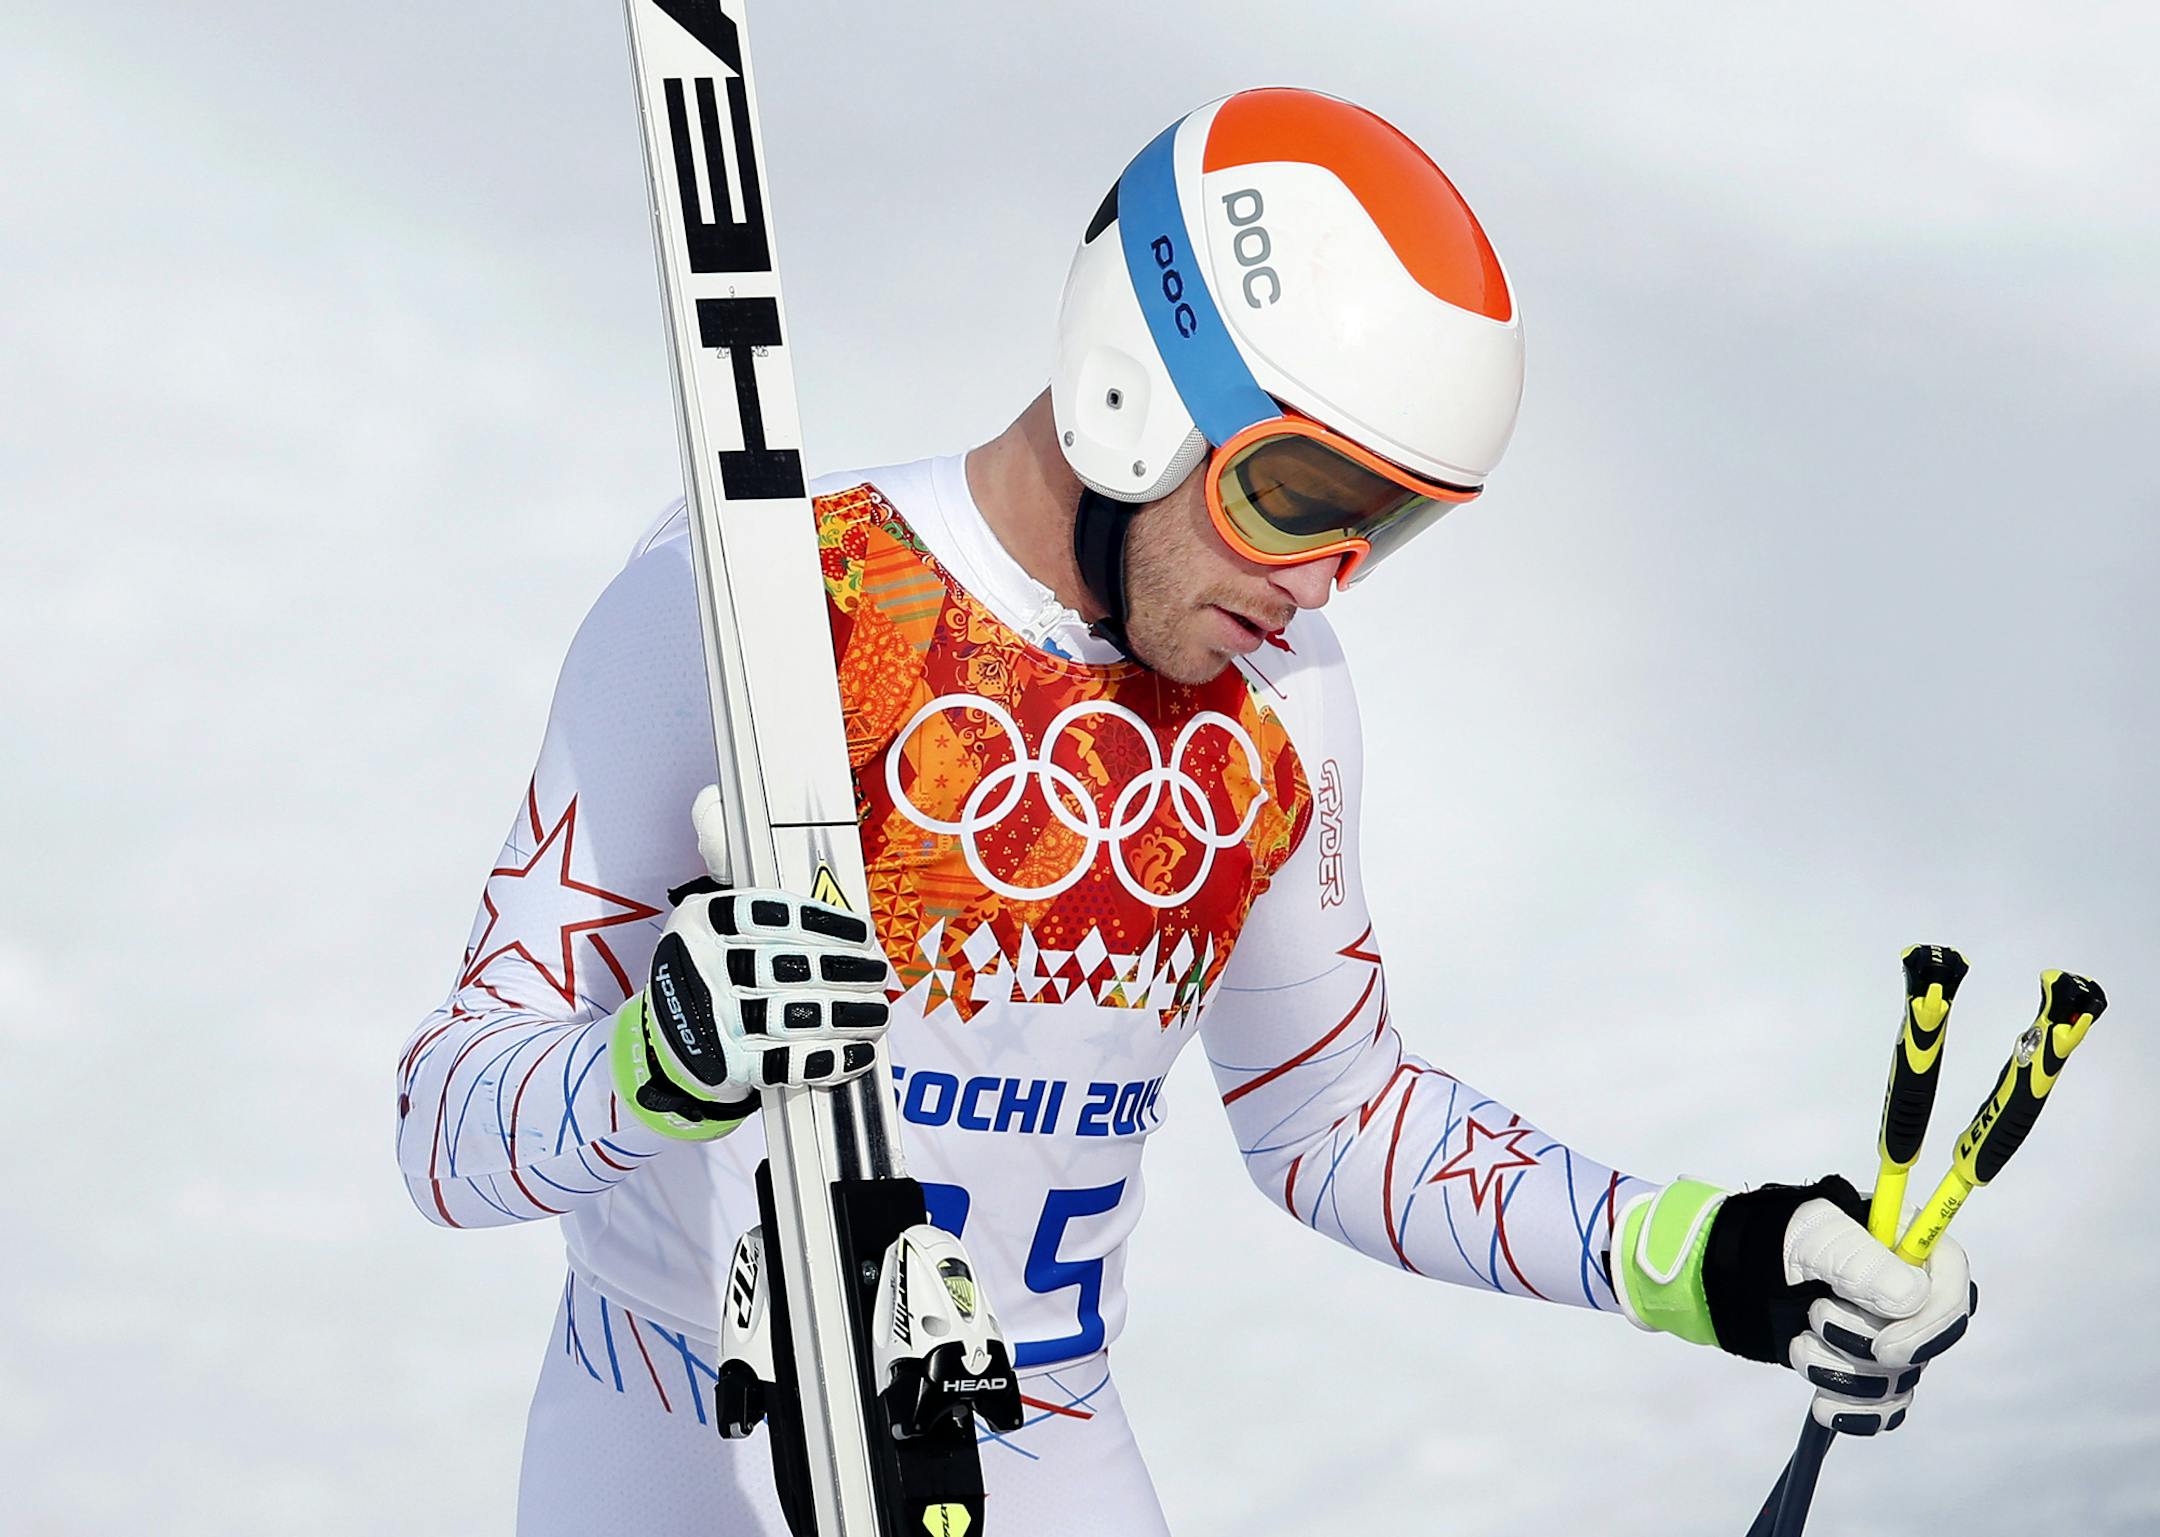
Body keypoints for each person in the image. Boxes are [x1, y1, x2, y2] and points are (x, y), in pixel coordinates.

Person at [396, 86, 1973, 1535]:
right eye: (1293, 495)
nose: (1315, 581)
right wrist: (651, 1063)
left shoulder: (1282, 704)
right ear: (1131, 387)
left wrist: (1719, 1257)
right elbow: (443, 1125)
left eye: (1385, 529)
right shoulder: (754, 603)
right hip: (671, 1421)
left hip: (1028, 1433)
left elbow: (1335, 1122)